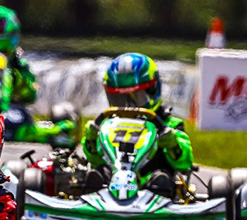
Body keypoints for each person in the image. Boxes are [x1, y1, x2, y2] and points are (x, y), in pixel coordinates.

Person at [80, 52, 194, 196]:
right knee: (100, 172)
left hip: (153, 190)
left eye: (136, 97)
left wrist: (173, 144)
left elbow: (184, 163)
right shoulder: (107, 126)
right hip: (111, 184)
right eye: (120, 98)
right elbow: (95, 160)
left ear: (153, 90)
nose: (129, 106)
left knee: (160, 177)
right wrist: (91, 140)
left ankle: (158, 191)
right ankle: (95, 191)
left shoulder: (169, 124)